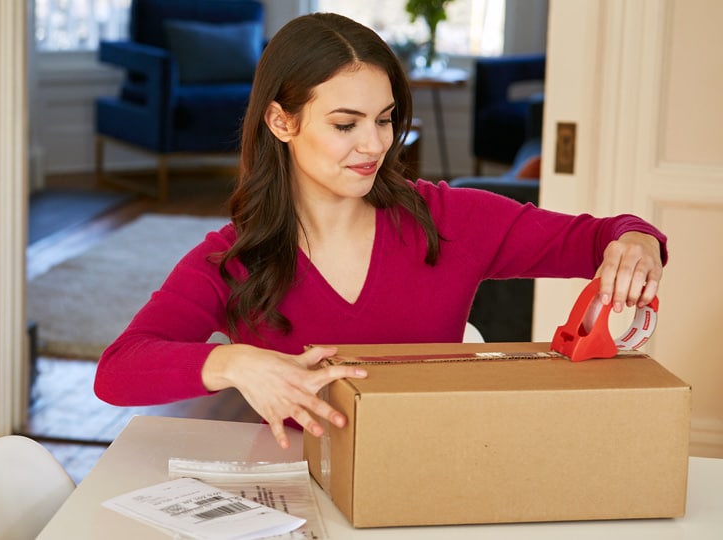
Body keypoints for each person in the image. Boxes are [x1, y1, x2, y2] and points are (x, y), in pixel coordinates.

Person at [94, 13, 667, 449]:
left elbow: (603, 236)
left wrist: (637, 241)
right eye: (346, 124)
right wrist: (233, 362)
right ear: (281, 122)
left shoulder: (449, 221)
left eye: (385, 118)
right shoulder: (234, 258)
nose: (375, 145)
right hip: (304, 495)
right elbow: (117, 371)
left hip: (440, 477)